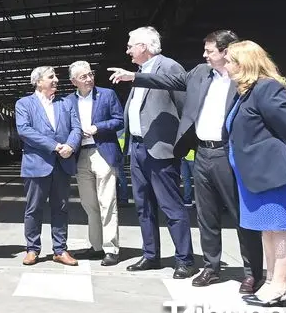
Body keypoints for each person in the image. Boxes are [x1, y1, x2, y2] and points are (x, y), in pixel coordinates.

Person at [109, 29, 260, 290]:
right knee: (205, 215)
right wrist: (134, 76)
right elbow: (177, 85)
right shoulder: (201, 73)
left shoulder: (242, 79)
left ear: (226, 52)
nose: (203, 55)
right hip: (197, 152)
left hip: (225, 153)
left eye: (209, 51)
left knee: (237, 213)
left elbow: (181, 103)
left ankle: (250, 271)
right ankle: (210, 267)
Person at [223, 41, 286, 305]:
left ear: (244, 64)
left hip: (272, 173)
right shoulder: (246, 92)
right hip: (253, 175)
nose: (225, 66)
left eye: (229, 61)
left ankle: (281, 285)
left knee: (282, 229)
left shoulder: (267, 88)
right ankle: (272, 281)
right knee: (268, 230)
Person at [117, 26, 195, 278]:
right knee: (144, 206)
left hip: (161, 150)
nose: (127, 50)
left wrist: (181, 143)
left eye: (130, 45)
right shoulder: (139, 72)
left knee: (171, 206)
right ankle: (150, 255)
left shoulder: (168, 67)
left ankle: (185, 259)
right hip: (138, 148)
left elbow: (185, 104)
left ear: (144, 47)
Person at [15, 66, 82, 266]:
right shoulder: (24, 104)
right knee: (33, 208)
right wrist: (55, 146)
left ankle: (60, 250)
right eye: (51, 77)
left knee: (60, 208)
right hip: (37, 164)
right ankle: (32, 249)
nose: (56, 80)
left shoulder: (66, 103)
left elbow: (76, 127)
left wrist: (70, 145)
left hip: (62, 163)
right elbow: (24, 130)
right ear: (38, 81)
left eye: (55, 77)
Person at [67, 60, 124, 266]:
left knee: (107, 202)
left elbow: (120, 120)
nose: (89, 79)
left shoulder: (107, 95)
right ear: (74, 81)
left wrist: (97, 127)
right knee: (89, 204)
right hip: (81, 154)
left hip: (103, 152)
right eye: (83, 77)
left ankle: (111, 248)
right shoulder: (67, 102)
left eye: (90, 74)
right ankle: (97, 246)